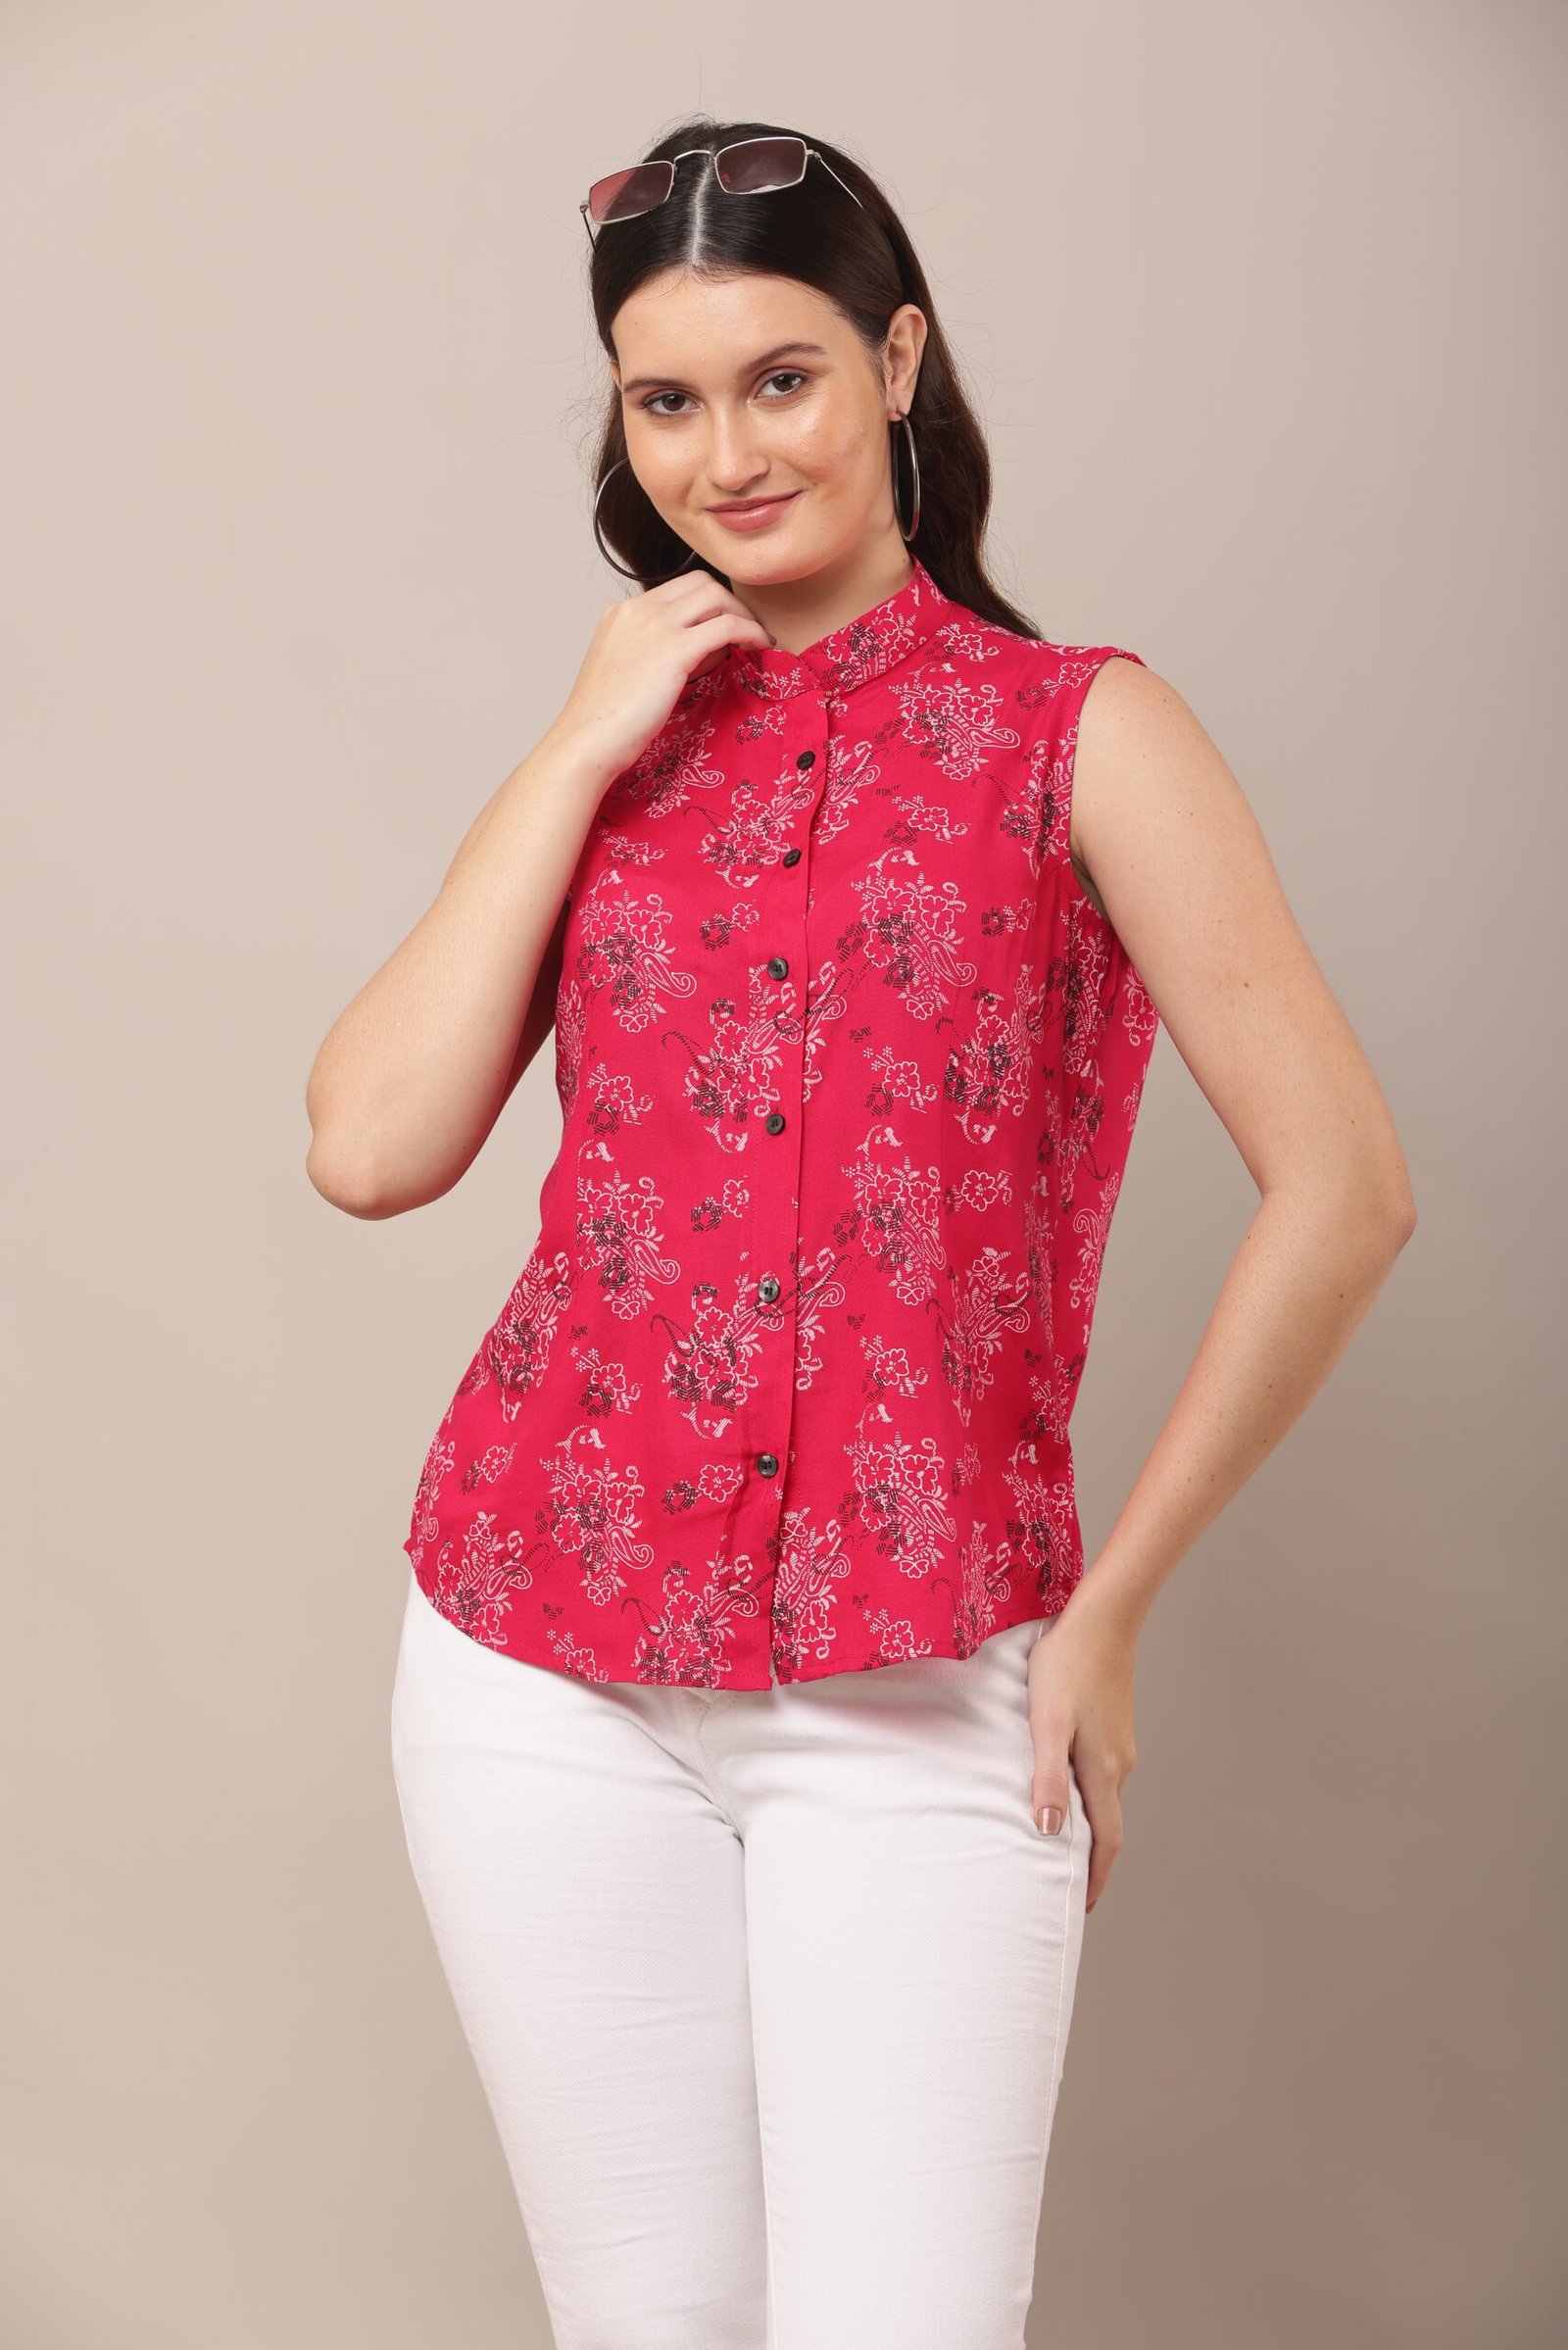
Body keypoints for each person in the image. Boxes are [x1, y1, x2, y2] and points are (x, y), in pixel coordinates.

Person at [304, 116, 1416, 2350]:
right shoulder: (615, 748)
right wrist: (573, 746)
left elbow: (1346, 1187)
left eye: (782, 377)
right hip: (538, 1666)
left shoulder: (1080, 733)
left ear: (897, 360)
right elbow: (369, 1142)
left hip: (928, 1684)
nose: (727, 452)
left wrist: (1110, 1607)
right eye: (667, 398)